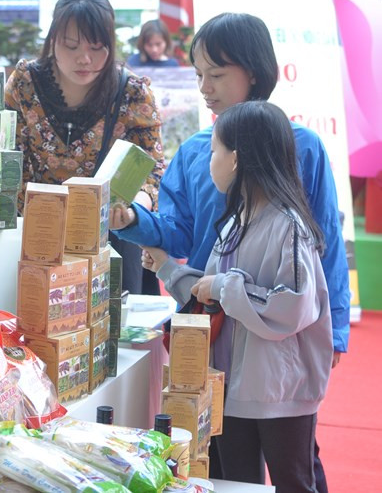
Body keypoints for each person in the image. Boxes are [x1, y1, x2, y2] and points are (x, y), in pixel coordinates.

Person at [111, 12, 348, 490]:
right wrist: (135, 222)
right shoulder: (197, 151)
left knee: (294, 460)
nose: (204, 87)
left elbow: (325, 245)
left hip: (278, 342)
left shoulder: (303, 148)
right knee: (218, 454)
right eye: (199, 74)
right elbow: (176, 233)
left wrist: (335, 326)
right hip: (209, 331)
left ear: (254, 72)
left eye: (216, 74)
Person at [142, 100, 332, 491]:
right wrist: (165, 266)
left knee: (293, 482)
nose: (208, 160)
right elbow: (210, 294)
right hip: (232, 387)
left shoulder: (289, 226)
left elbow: (292, 305)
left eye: (214, 150)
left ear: (236, 159)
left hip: (280, 393)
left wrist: (225, 287)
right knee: (233, 484)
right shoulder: (237, 220)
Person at [4, 0, 165, 294]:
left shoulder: (132, 92)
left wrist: (134, 208)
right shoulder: (25, 84)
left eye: (97, 47)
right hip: (37, 237)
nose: (85, 59)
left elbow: (153, 165)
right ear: (53, 40)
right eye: (71, 45)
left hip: (109, 239)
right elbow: (8, 159)